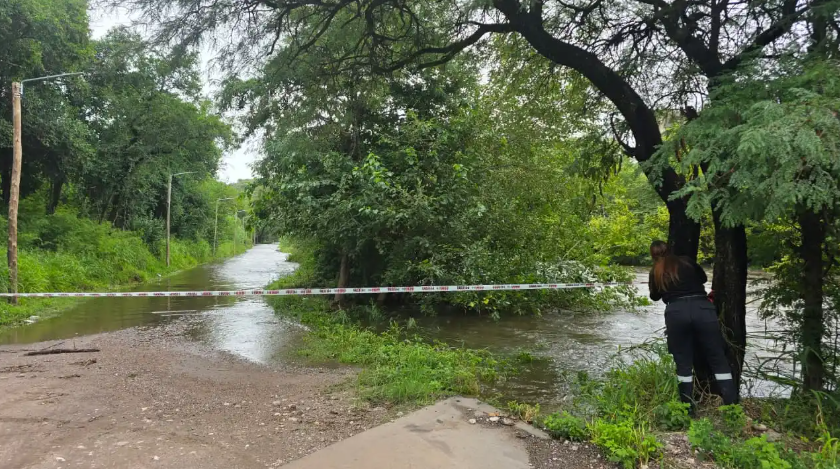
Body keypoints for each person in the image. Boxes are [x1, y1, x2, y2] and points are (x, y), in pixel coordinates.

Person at [648, 240, 737, 410]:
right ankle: (732, 407)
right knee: (718, 359)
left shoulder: (655, 271)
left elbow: (654, 296)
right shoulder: (686, 261)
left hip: (676, 313)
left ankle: (686, 409)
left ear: (653, 255)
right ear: (670, 249)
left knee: (683, 362)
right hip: (702, 308)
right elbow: (703, 278)